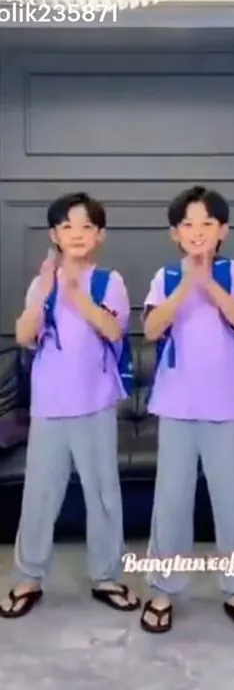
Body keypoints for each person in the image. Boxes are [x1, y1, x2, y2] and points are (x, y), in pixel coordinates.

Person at [0, 192, 140, 618]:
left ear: (99, 235)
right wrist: (47, 290)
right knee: (40, 494)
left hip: (95, 404)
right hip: (48, 406)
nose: (76, 234)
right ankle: (29, 577)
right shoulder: (41, 283)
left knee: (102, 495)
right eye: (67, 226)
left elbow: (113, 330)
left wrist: (75, 291)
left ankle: (106, 577)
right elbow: (24, 335)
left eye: (86, 227)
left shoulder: (109, 281)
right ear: (54, 234)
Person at [139, 185, 234, 634]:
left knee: (231, 502)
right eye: (188, 224)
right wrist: (186, 284)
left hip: (224, 408)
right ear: (175, 233)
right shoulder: (165, 277)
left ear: (222, 231)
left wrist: (208, 281)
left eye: (207, 224)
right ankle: (162, 588)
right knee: (171, 502)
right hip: (175, 406)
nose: (197, 232)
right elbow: (152, 329)